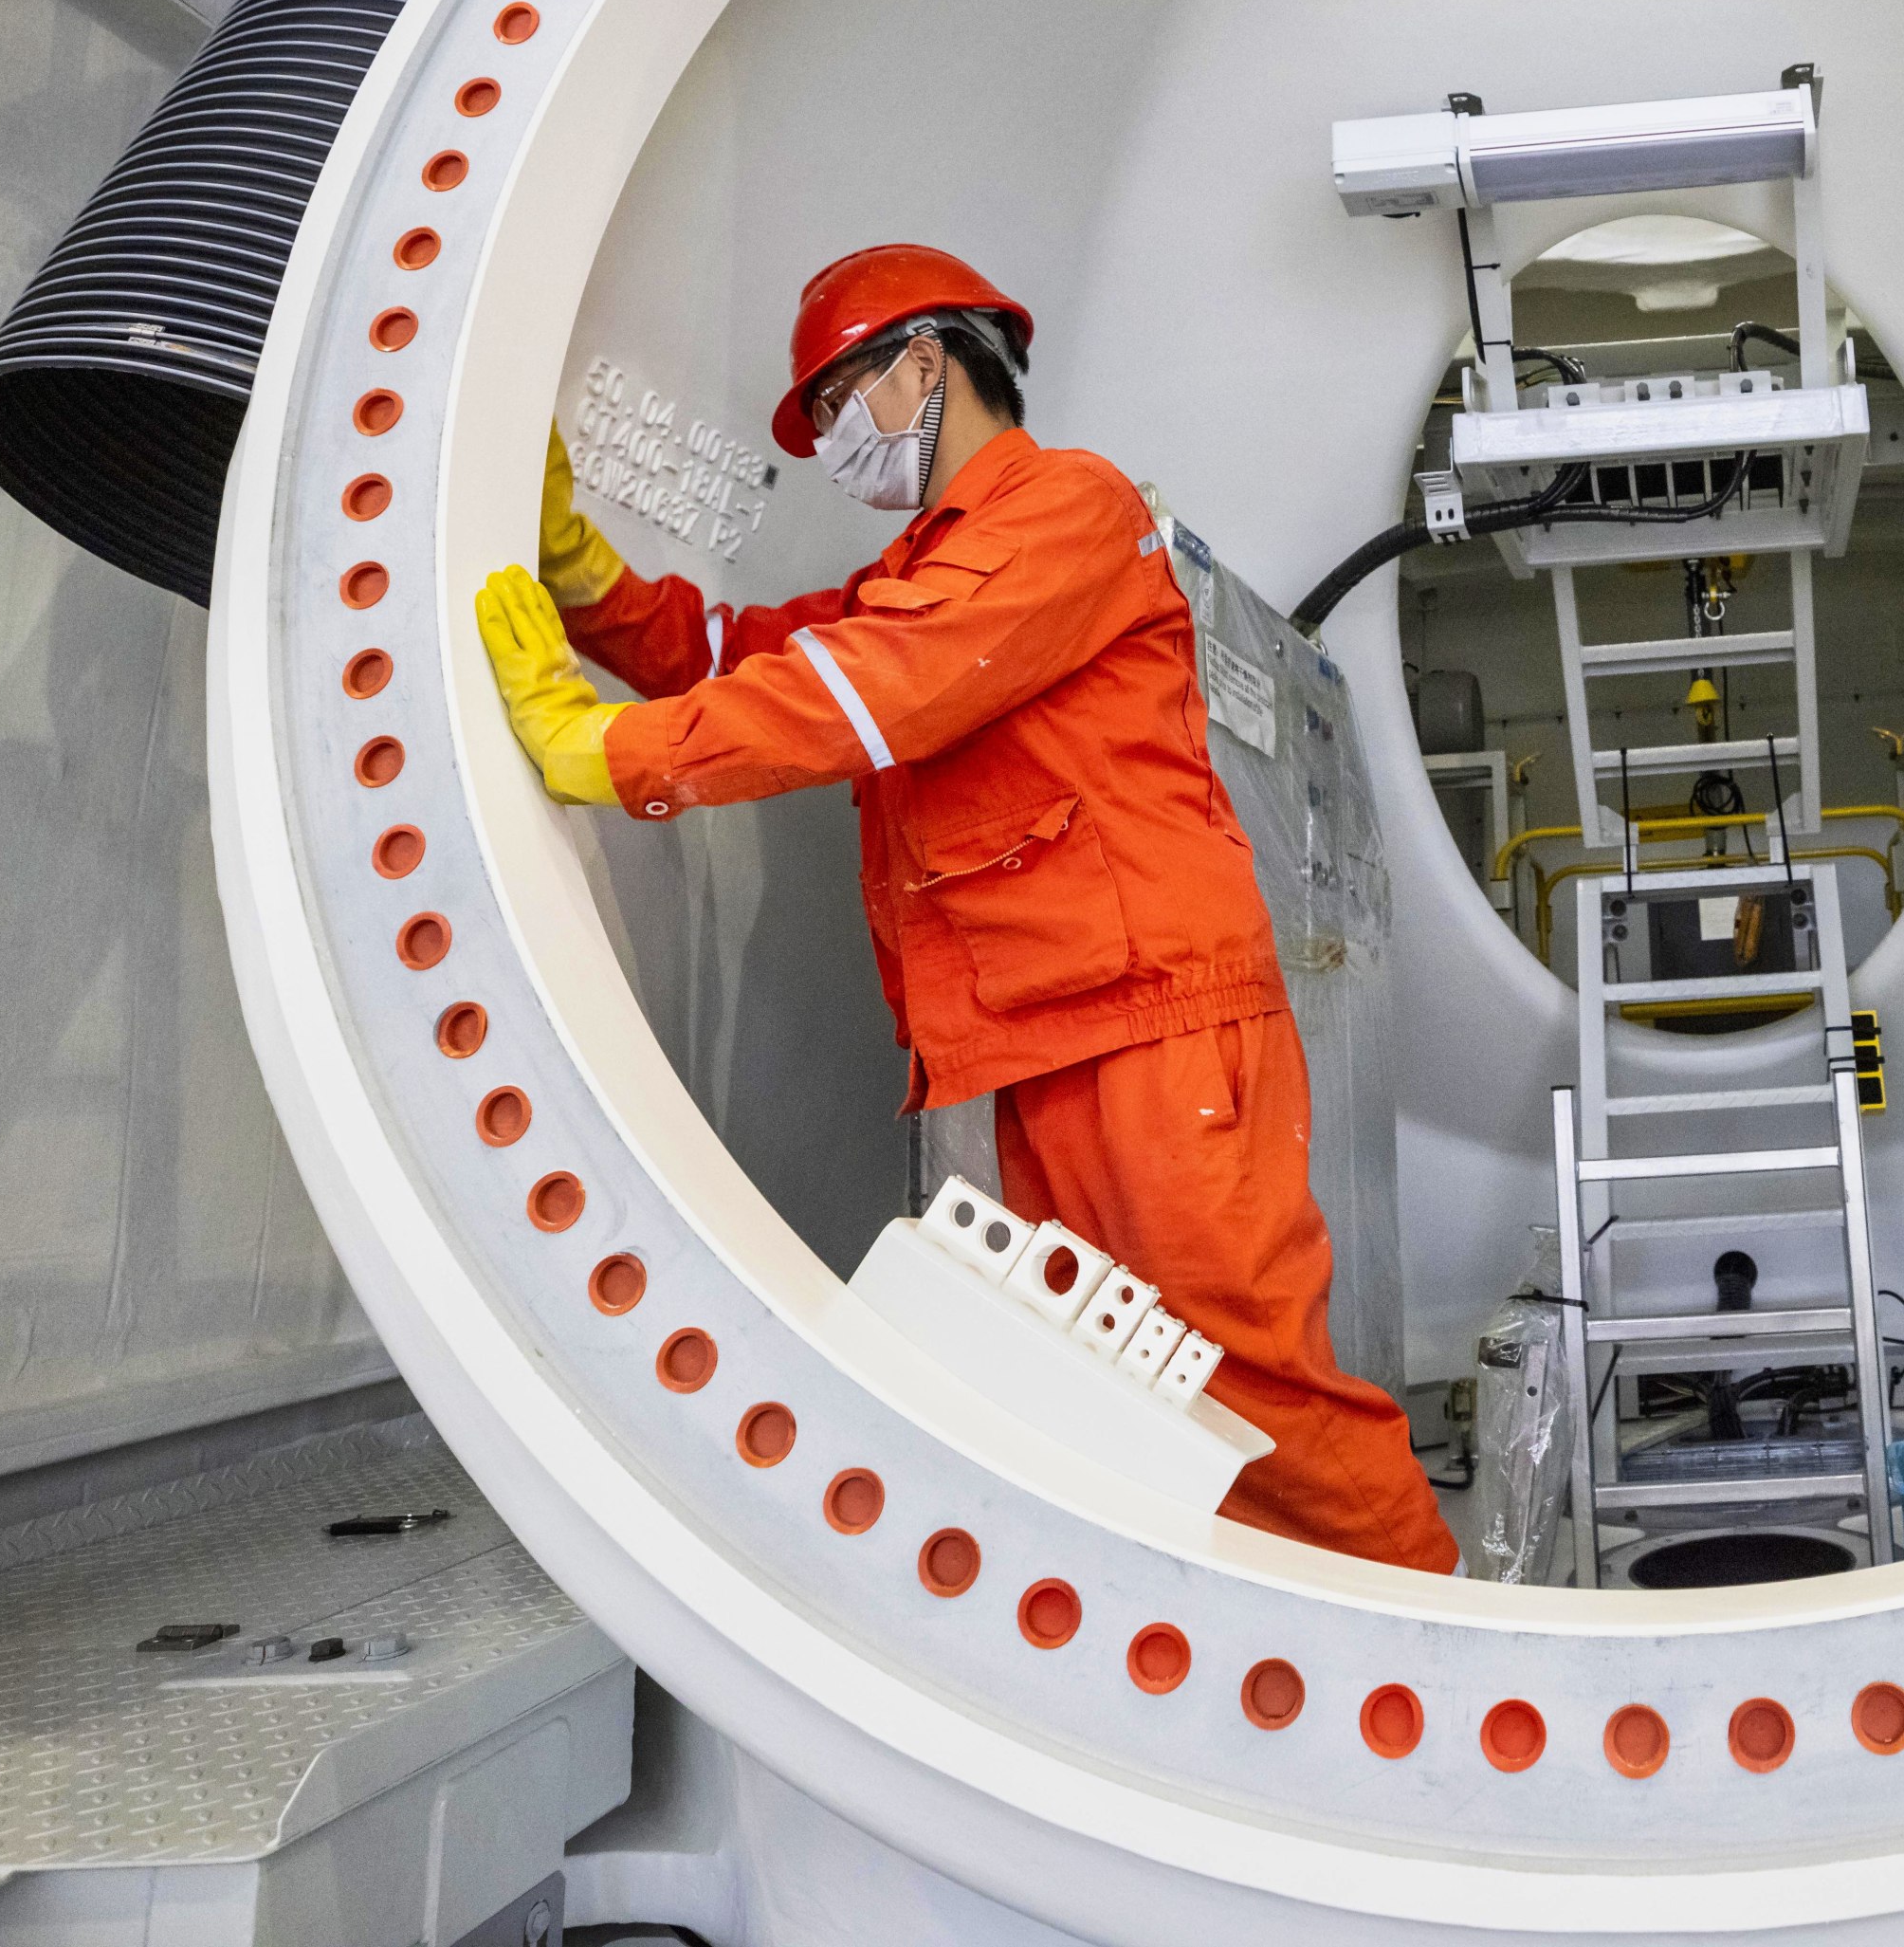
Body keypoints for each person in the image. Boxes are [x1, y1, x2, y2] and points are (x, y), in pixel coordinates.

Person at [474, 244, 1457, 1574]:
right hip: (1052, 1039)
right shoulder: (928, 569)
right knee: (1128, 1402)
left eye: (833, 402)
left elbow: (882, 686)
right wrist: (582, 576)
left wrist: (614, 754)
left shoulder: (1067, 508)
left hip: (1149, 1029)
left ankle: (1434, 1655)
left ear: (924, 366)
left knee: (1255, 1391)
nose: (828, 441)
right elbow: (752, 655)